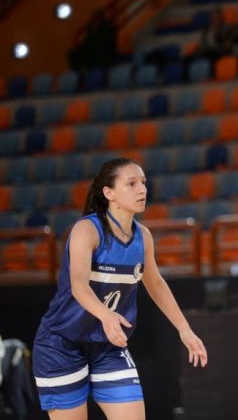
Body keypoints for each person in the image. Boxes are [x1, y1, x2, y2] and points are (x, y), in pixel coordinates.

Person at [32, 158, 207, 420]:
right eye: (132, 183)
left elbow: (156, 285)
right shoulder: (86, 230)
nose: (142, 189)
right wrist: (106, 315)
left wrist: (185, 329)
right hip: (61, 344)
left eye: (143, 183)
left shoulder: (143, 236)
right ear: (109, 193)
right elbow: (78, 286)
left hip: (107, 346)